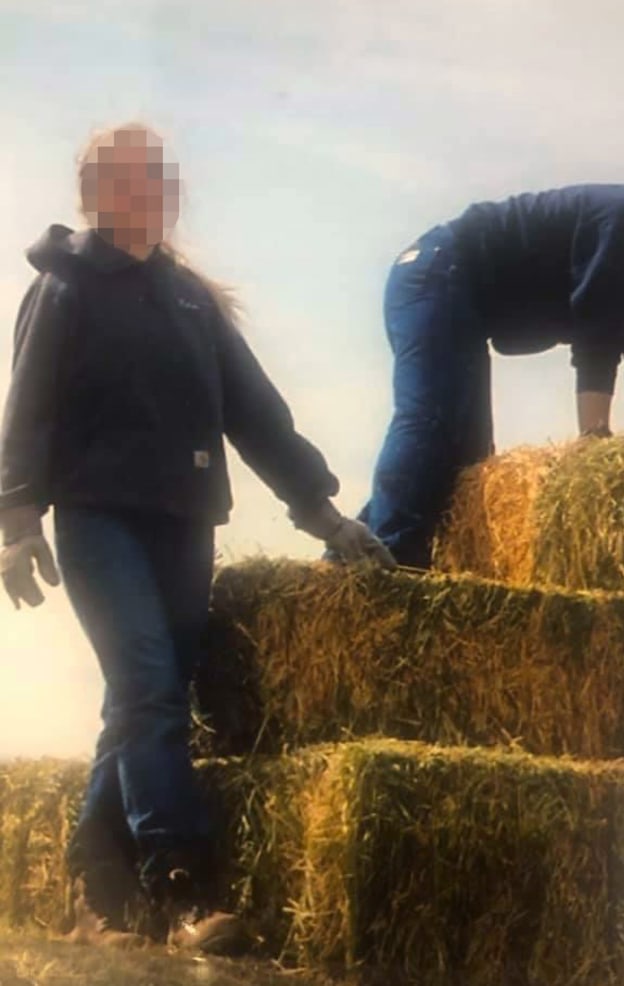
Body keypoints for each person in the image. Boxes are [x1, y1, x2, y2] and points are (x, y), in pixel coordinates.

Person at [0, 122, 395, 955]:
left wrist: (322, 512)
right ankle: (180, 884)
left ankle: (95, 886)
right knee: (147, 684)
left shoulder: (191, 301)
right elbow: (26, 409)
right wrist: (15, 520)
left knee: (145, 700)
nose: (152, 192)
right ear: (97, 194)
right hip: (98, 518)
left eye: (161, 179)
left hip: (185, 523)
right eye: (132, 178)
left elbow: (256, 411)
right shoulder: (65, 286)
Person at [356, 159, 624, 569]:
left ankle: (352, 551)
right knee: (432, 418)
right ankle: (389, 562)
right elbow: (596, 335)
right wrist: (594, 438)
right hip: (439, 268)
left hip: (467, 301)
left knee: (466, 454)